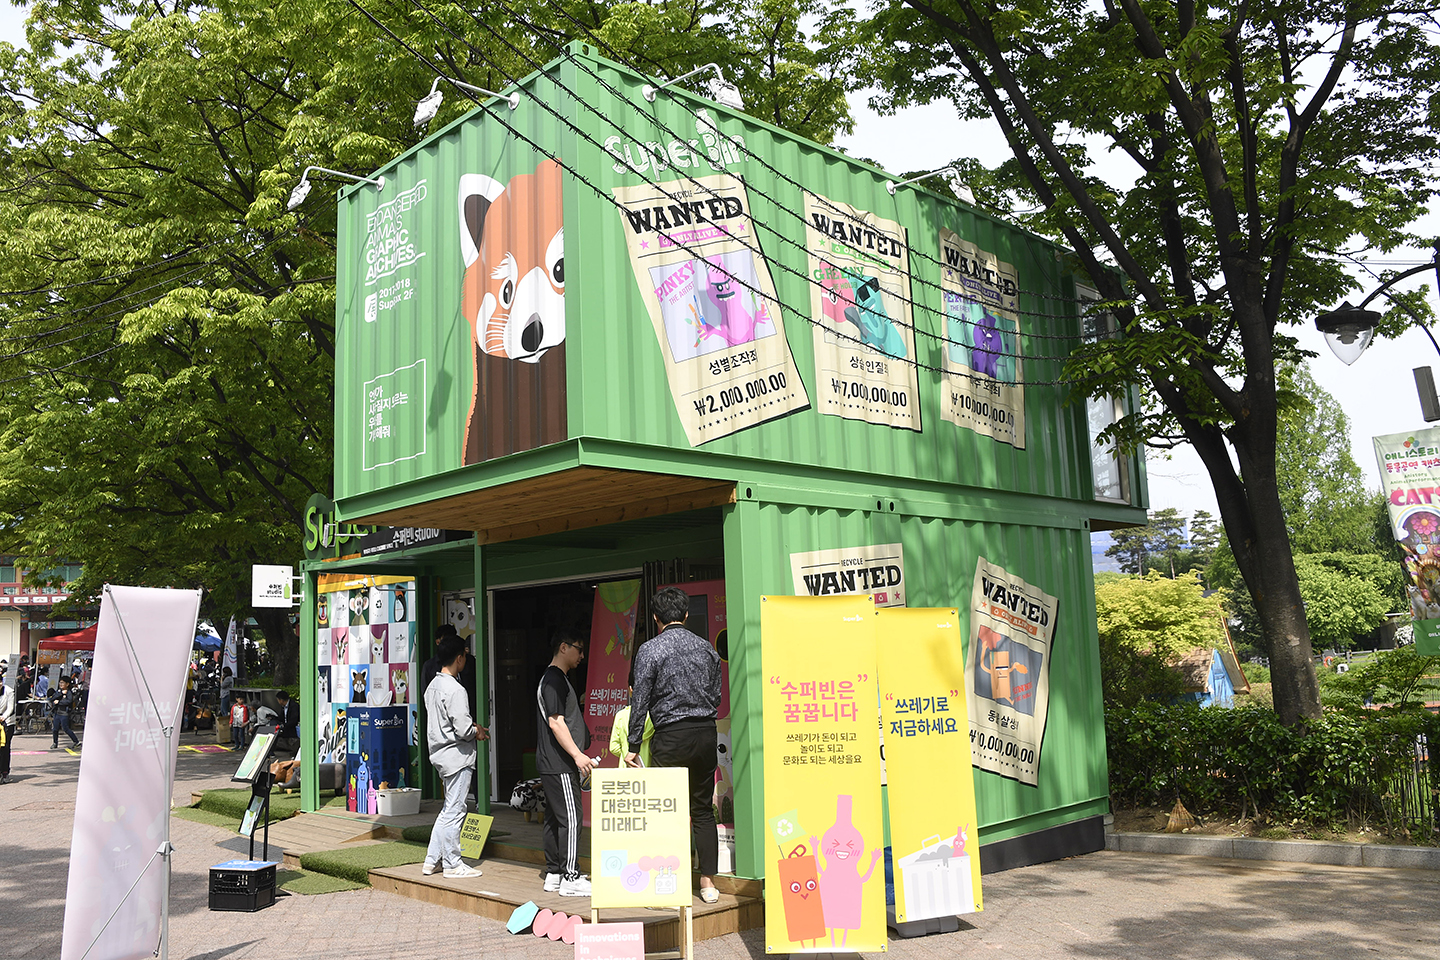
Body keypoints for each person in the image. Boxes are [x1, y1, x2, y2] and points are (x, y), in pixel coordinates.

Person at [626, 587, 722, 903]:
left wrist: (633, 743)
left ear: (656, 618)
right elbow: (717, 694)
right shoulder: (706, 648)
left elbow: (639, 699)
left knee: (665, 810)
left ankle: (667, 881)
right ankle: (707, 883)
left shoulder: (650, 650)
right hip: (706, 732)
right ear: (685, 615)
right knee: (702, 808)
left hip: (671, 735)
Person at [423, 635, 489, 879]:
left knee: (448, 809)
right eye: (464, 655)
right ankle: (452, 863)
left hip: (440, 755)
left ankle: (432, 860)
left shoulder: (433, 686)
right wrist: (478, 731)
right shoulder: (456, 689)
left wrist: (472, 728)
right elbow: (462, 730)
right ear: (459, 658)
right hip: (457, 757)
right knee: (455, 811)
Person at [536, 632, 593, 897]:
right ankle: (570, 876)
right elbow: (556, 722)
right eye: (579, 649)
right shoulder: (554, 680)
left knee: (555, 818)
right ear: (563, 647)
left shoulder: (555, 679)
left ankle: (555, 873)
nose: (582, 656)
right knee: (571, 818)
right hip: (559, 763)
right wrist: (577, 755)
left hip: (553, 763)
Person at [609, 660, 654, 767]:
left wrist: (625, 752)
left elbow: (613, 747)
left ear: (630, 690)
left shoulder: (621, 715)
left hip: (626, 768)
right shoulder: (655, 716)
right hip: (649, 768)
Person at [50, 676, 81, 750]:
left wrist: (59, 702)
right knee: (55, 729)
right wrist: (60, 694)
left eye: (62, 683)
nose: (61, 684)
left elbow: (69, 701)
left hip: (64, 713)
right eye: (60, 682)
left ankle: (76, 741)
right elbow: (52, 699)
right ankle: (55, 743)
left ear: (67, 684)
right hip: (57, 713)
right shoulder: (59, 691)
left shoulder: (69, 692)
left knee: (66, 728)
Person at [273, 690, 301, 755]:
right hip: (287, 726)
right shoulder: (283, 707)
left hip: (293, 727)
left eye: (278, 700)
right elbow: (282, 718)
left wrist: (284, 725)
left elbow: (294, 720)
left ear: (281, 700)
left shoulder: (294, 706)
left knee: (293, 741)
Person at [1, 671, 15, 783]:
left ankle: (5, 772)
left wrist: (3, 717)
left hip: (7, 723)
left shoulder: (9, 691)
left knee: (5, 747)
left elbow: (10, 708)